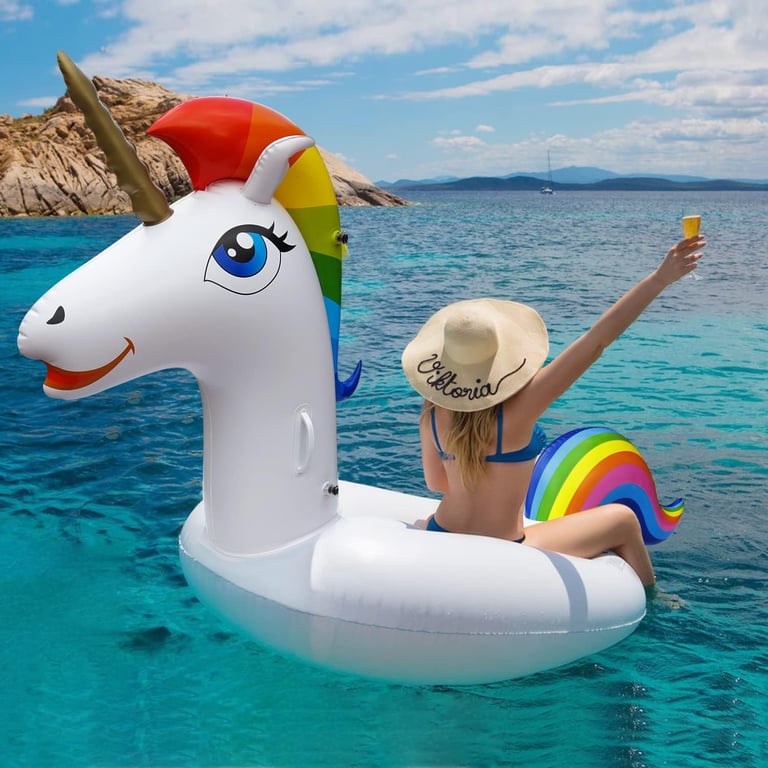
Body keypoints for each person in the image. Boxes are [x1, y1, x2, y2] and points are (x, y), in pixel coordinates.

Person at [401, 234, 706, 588]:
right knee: (623, 519)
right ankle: (654, 608)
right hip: (504, 548)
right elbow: (596, 341)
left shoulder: (433, 409)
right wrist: (659, 278)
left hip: (442, 530)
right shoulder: (521, 407)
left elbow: (436, 482)